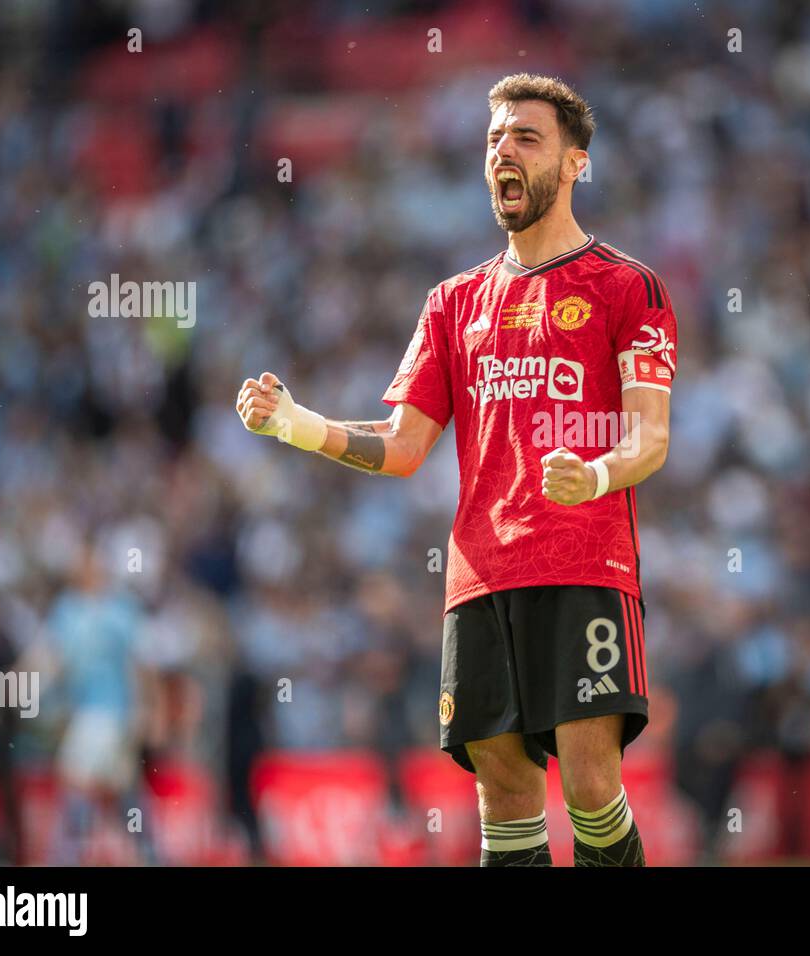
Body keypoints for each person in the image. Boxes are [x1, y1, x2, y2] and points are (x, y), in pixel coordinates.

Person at [236, 73, 677, 866]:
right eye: (494, 140)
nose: (503, 153)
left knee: (589, 788)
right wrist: (299, 426)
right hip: (478, 580)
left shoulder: (626, 286)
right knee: (504, 800)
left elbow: (650, 438)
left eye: (526, 139)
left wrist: (599, 475)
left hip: (584, 566)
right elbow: (404, 446)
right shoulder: (452, 302)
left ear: (576, 163)